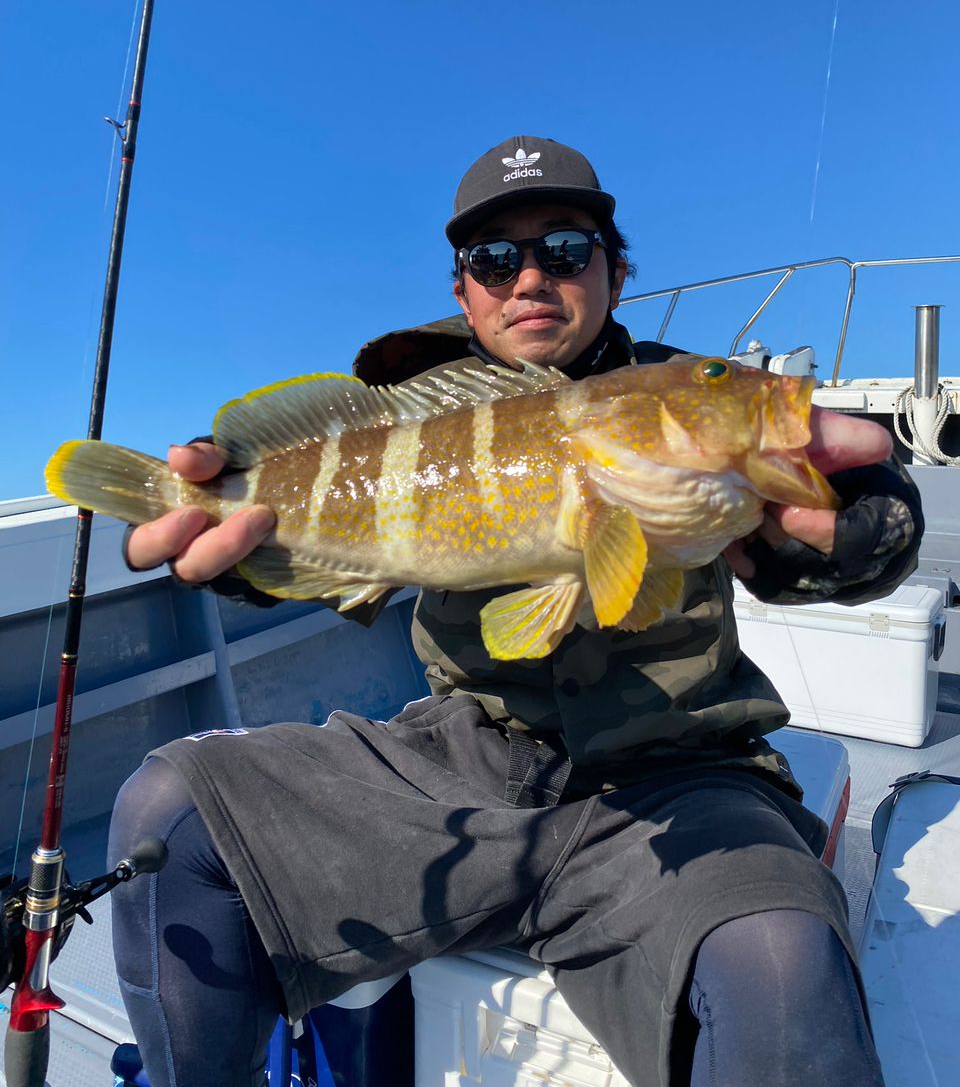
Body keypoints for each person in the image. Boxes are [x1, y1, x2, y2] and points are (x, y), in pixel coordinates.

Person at [110, 136, 922, 1087]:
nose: (530, 277)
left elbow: (876, 504)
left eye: (566, 249)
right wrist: (243, 559)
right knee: (174, 810)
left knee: (783, 967)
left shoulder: (679, 390)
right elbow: (341, 540)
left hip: (683, 780)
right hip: (458, 765)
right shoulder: (409, 414)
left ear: (615, 272)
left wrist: (837, 523)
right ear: (465, 292)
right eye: (495, 260)